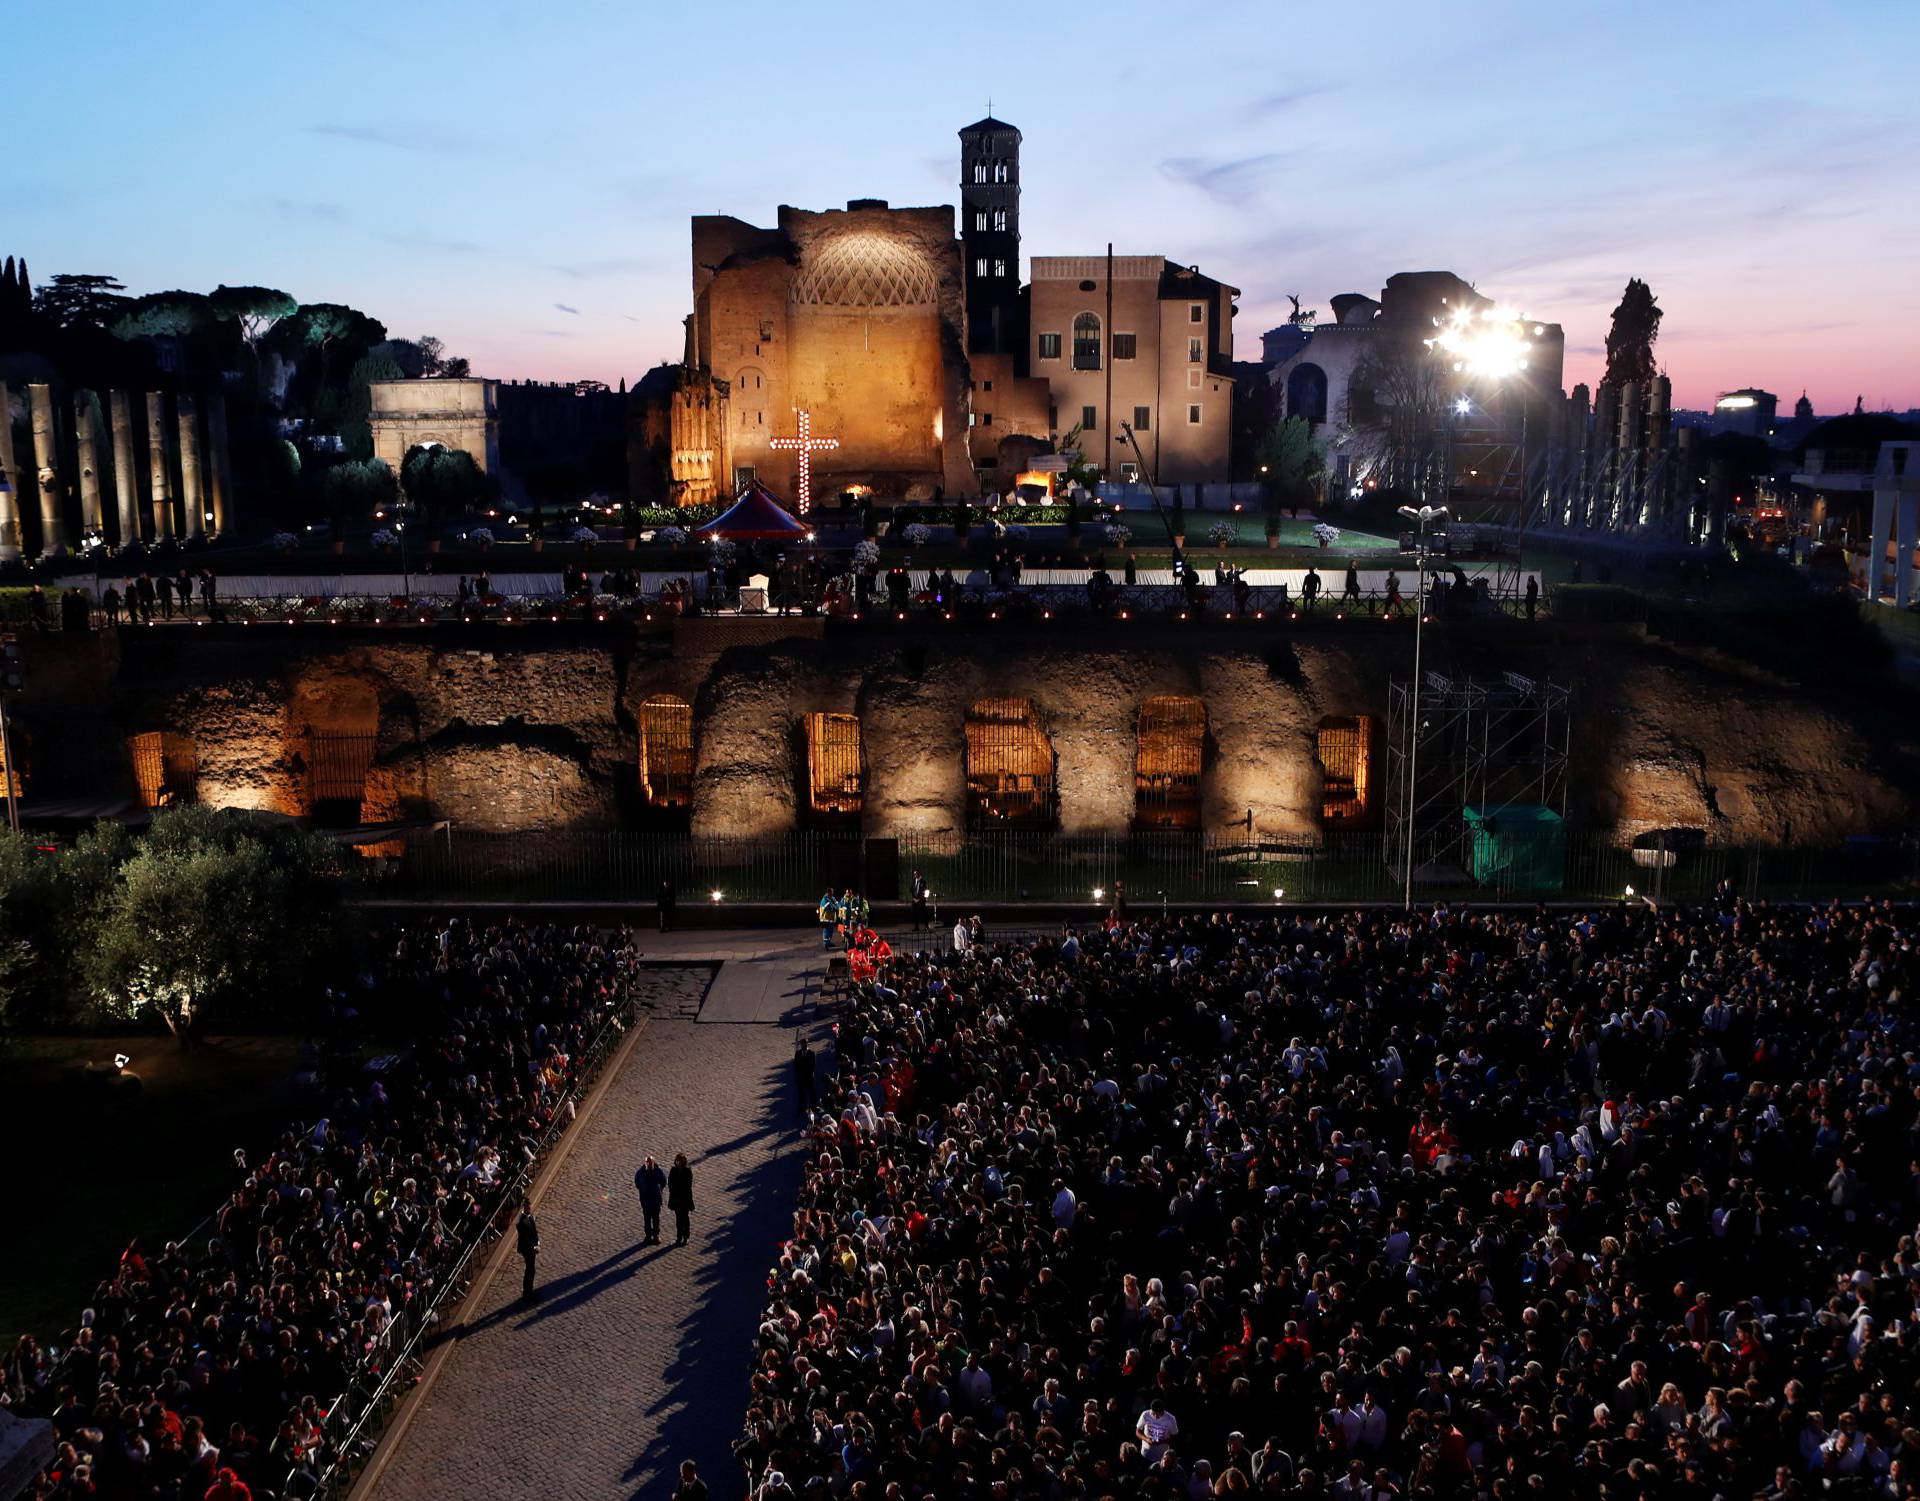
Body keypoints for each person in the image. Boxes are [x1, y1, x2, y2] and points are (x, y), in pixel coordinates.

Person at [634, 1155, 666, 1243]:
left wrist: (659, 1189)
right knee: (647, 1219)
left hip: (655, 1199)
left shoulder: (658, 1171)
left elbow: (663, 1182)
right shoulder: (641, 1173)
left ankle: (656, 1235)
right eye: (647, 1162)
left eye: (650, 1162)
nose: (649, 1164)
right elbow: (637, 1183)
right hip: (646, 1199)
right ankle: (648, 1235)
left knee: (656, 1218)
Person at [667, 1153, 694, 1245]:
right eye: (678, 1160)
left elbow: (688, 1185)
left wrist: (677, 1188)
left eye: (681, 1160)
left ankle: (686, 1237)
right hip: (676, 1198)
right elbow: (670, 1182)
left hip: (685, 1199)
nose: (679, 1162)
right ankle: (679, 1237)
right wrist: (673, 1189)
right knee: (678, 1219)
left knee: (685, 1218)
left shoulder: (687, 1171)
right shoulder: (673, 1170)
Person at [515, 1197, 540, 1299]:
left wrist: (537, 1243)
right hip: (527, 1248)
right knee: (529, 1269)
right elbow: (525, 1238)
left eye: (529, 1206)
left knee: (531, 1269)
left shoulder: (530, 1217)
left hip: (532, 1247)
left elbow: (535, 1232)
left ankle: (530, 1290)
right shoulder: (521, 1221)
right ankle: (527, 1292)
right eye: (527, 1206)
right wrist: (533, 1247)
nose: (529, 1208)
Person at [792, 1035, 816, 1123]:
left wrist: (808, 1072)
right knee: (801, 1094)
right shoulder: (798, 1053)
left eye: (805, 1044)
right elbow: (795, 1065)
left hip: (809, 1078)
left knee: (811, 1094)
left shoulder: (812, 1053)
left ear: (807, 1044)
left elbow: (813, 1066)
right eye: (802, 1044)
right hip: (801, 1078)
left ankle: (812, 1109)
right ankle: (802, 1107)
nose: (803, 1046)